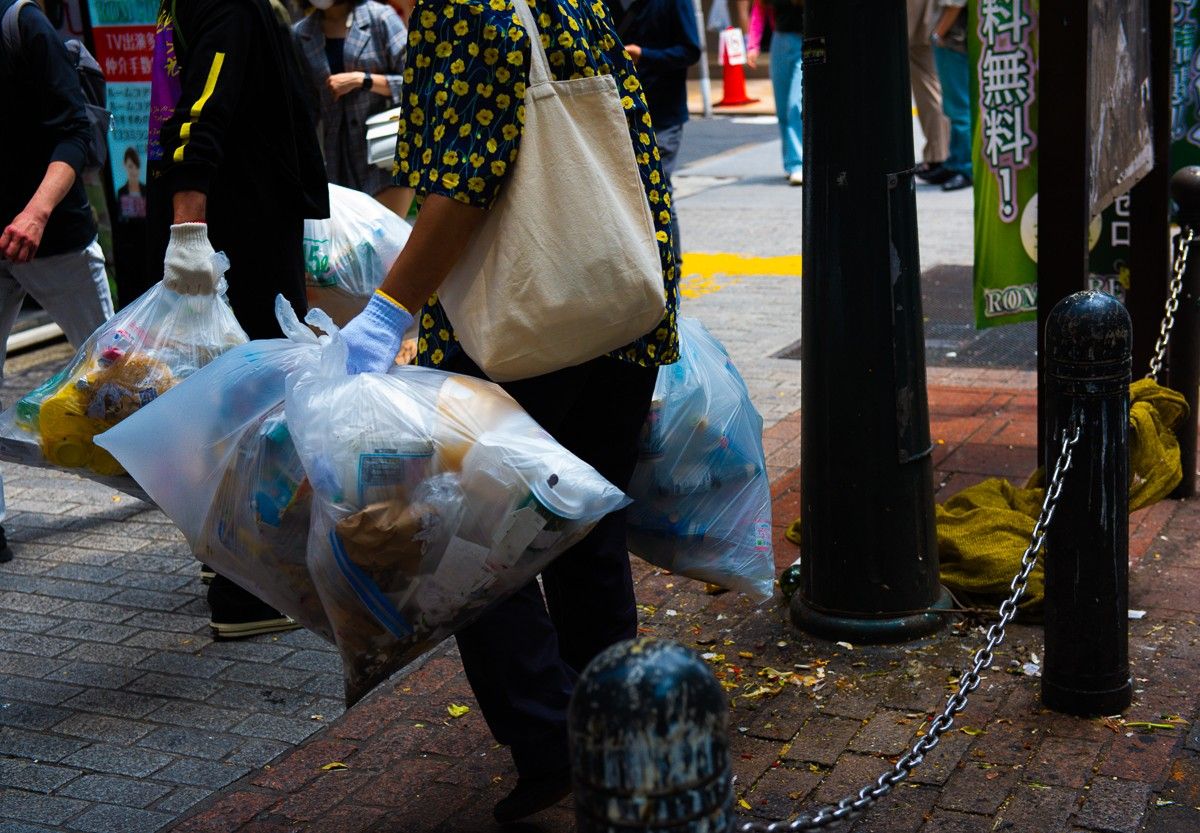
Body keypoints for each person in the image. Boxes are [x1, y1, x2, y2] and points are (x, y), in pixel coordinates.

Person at [335, 0, 679, 820]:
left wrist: (387, 311)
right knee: (589, 540)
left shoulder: (462, 11)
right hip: (620, 300)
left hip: (524, 330)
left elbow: (464, 183)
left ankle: (551, 741)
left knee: (471, 550)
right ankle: (612, 736)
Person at [146, 0, 329, 637]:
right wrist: (189, 230)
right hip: (242, 223)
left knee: (229, 397)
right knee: (258, 400)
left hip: (234, 220)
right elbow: (202, 111)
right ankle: (248, 589)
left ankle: (227, 556)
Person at [0, 0, 117, 564]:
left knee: (115, 375)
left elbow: (75, 131)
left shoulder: (21, 24)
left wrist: (36, 212)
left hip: (55, 236)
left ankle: (172, 488)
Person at [294, 0, 410, 215]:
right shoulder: (301, 33)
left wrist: (362, 80)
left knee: (386, 231)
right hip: (335, 161)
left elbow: (415, 83)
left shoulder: (380, 18)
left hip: (383, 154)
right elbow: (305, 107)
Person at [620, 0, 701, 260]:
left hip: (663, 112)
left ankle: (671, 268)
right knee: (623, 194)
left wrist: (644, 55)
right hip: (619, 111)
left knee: (658, 190)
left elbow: (690, 51)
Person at [747, 0, 804, 185]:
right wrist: (753, 44)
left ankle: (798, 164)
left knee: (795, 104)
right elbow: (760, 7)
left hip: (807, 41)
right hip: (780, 40)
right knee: (782, 108)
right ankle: (790, 163)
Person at [930, 0, 971, 191]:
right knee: (955, 106)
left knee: (959, 108)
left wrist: (938, 33)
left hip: (954, 39)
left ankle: (964, 166)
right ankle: (955, 162)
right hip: (954, 39)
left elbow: (955, 4)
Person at [908, 0, 950, 183]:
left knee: (928, 87)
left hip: (921, 22)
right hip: (928, 20)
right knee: (930, 85)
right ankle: (939, 153)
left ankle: (938, 154)